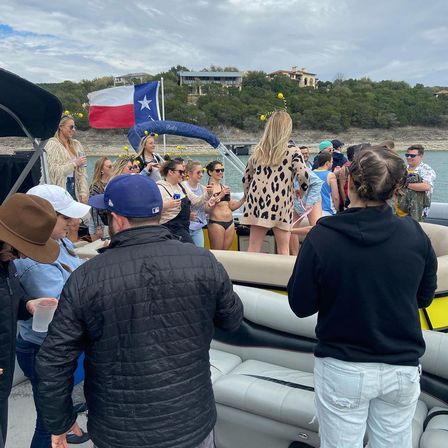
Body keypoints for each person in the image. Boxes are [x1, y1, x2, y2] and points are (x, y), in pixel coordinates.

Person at [35, 174, 244, 448]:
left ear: (118, 219)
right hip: (192, 421)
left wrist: (60, 421)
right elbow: (232, 319)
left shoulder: (86, 278)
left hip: (119, 432)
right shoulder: (203, 260)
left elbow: (54, 360)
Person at [288, 146, 437, 448]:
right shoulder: (414, 234)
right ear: (396, 189)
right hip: (401, 368)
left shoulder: (323, 235)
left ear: (349, 183)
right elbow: (424, 298)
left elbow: (300, 305)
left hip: (343, 366)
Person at [14, 185, 91, 448]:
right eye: (66, 218)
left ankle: (70, 424)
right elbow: (63, 305)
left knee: (57, 412)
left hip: (59, 345)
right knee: (48, 422)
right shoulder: (32, 260)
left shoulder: (60, 241)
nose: (74, 222)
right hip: (44, 349)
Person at [0, 193, 59, 448]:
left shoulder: (6, 263)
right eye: (24, 249)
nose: (25, 257)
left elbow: (9, 298)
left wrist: (27, 305)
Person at [241, 110, 309, 255]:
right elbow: (303, 174)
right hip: (281, 202)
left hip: (257, 201)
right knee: (284, 249)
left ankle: (250, 276)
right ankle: (283, 278)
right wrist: (301, 192)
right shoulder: (293, 151)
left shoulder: (258, 151)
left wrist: (249, 196)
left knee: (253, 247)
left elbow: (246, 178)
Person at [157, 159, 212, 243]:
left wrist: (208, 194)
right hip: (170, 229)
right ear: (170, 172)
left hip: (183, 227)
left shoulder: (181, 186)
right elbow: (151, 209)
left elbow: (196, 201)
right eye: (180, 172)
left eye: (183, 172)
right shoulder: (160, 187)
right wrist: (166, 205)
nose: (183, 175)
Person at [44, 115, 88, 203]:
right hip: (61, 186)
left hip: (76, 185)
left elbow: (82, 171)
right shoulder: (52, 145)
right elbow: (53, 172)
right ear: (61, 127)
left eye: (74, 127)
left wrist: (83, 192)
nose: (73, 130)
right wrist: (74, 164)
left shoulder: (76, 145)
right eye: (71, 127)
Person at [206, 161, 245, 250]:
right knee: (218, 253)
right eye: (217, 170)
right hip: (216, 223)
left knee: (227, 252)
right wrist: (220, 195)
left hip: (230, 223)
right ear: (210, 172)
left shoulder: (224, 187)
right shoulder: (207, 189)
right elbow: (207, 209)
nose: (220, 172)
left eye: (222, 170)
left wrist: (244, 199)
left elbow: (231, 206)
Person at [396, 144, 436, 221]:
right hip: (399, 209)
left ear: (420, 156)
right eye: (407, 155)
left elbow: (426, 186)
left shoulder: (427, 170)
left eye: (412, 156)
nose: (409, 157)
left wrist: (405, 184)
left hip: (415, 212)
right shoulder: (403, 168)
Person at [183, 161, 209, 247]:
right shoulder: (183, 186)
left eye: (202, 172)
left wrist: (212, 202)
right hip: (185, 227)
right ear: (189, 173)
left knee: (200, 252)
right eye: (198, 172)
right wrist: (187, 214)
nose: (201, 175)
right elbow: (195, 202)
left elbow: (206, 209)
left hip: (197, 227)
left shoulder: (203, 188)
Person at [88, 157, 113, 241]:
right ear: (101, 170)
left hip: (110, 221)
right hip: (99, 223)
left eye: (112, 166)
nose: (112, 168)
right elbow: (94, 208)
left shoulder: (113, 183)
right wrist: (98, 226)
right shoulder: (95, 186)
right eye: (109, 167)